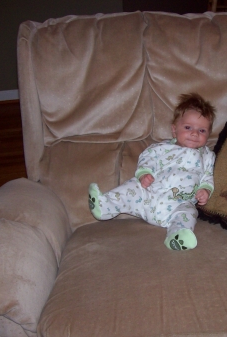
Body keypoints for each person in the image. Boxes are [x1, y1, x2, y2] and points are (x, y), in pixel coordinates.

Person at [88, 93, 216, 251]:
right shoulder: (161, 148)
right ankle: (106, 205)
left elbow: (207, 176)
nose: (195, 133)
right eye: (188, 127)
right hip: (149, 196)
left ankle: (178, 235)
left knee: (189, 213)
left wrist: (205, 190)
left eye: (202, 130)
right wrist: (144, 174)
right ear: (174, 130)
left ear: (208, 135)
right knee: (133, 187)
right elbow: (147, 158)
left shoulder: (207, 156)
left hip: (179, 204)